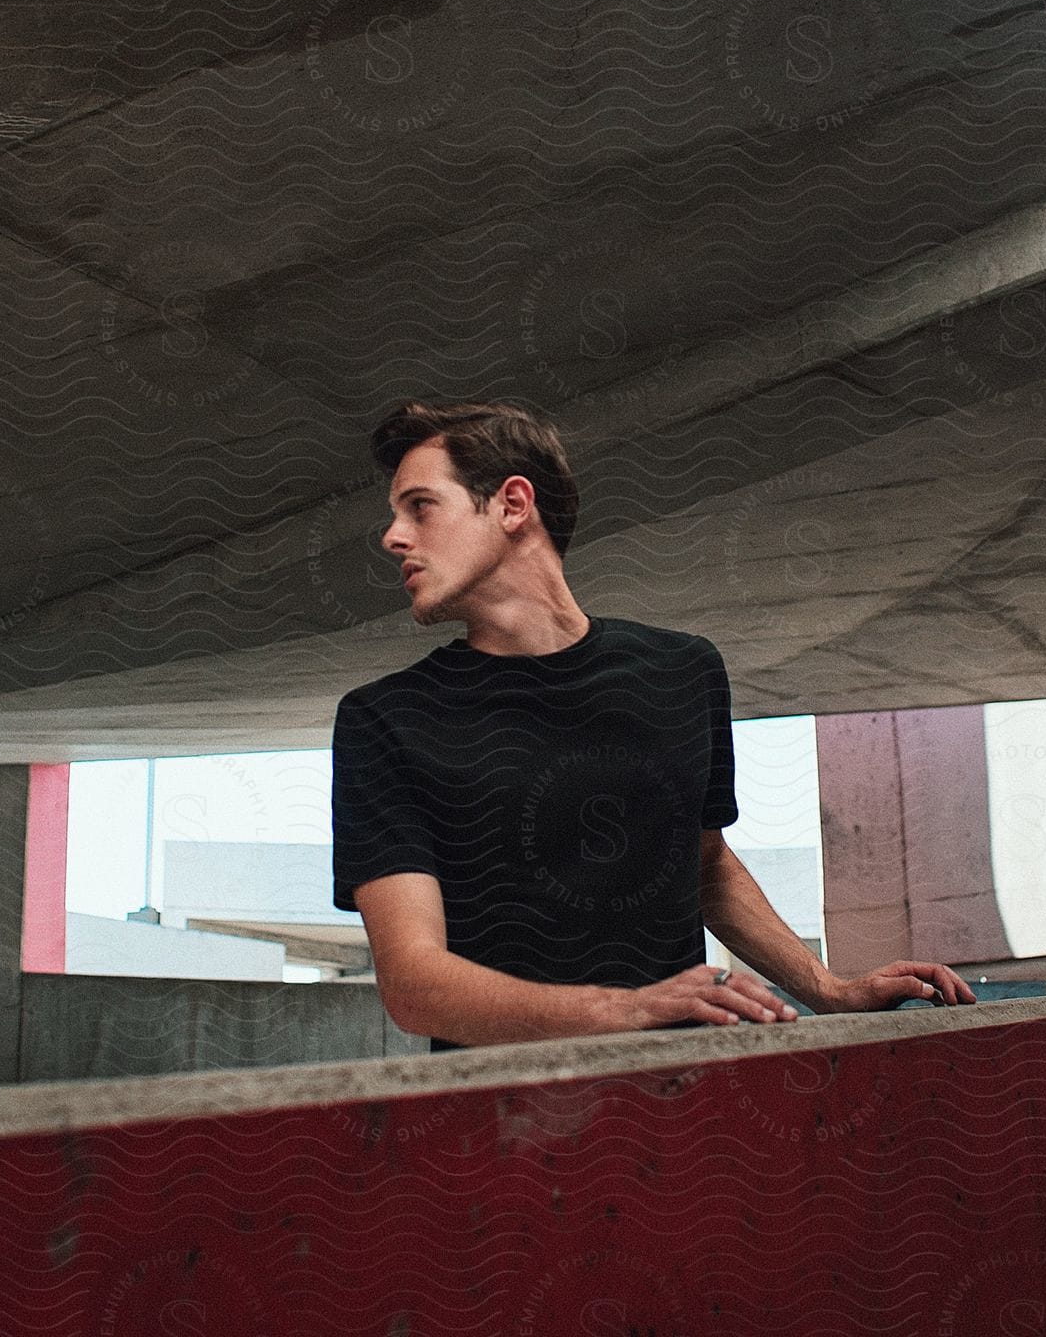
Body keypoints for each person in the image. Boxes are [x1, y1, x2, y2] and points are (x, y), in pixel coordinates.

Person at [330, 399, 975, 1049]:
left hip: (685, 1104)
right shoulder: (384, 720)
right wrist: (631, 1010)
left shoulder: (682, 671)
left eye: (419, 506)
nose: (393, 536)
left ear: (512, 504)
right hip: (500, 1121)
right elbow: (413, 986)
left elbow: (704, 867)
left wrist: (830, 991)